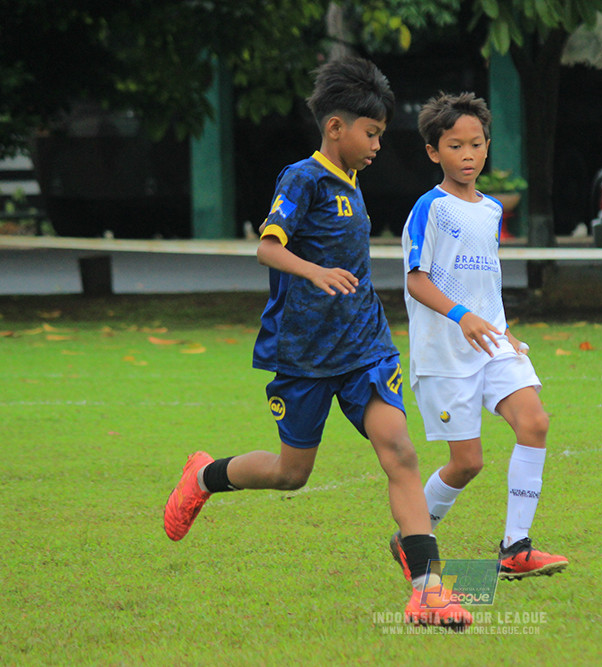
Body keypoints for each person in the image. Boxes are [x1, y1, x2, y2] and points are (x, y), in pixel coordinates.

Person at [163, 58, 471, 631]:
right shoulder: (301, 178)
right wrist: (313, 271)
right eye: (371, 132)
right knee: (290, 474)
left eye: (380, 133)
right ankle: (204, 475)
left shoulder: (353, 180)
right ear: (336, 127)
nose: (378, 144)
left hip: (364, 346)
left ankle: (429, 591)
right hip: (304, 354)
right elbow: (267, 248)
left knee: (400, 451)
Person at [397, 91, 568, 580]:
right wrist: (462, 316)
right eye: (454, 146)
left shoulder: (491, 210)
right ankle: (413, 534)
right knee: (466, 462)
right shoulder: (429, 209)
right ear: (434, 152)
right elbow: (416, 279)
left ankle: (516, 548)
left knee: (534, 421)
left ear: (487, 147)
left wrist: (502, 330)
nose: (466, 155)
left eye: (475, 144)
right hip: (445, 354)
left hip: (492, 344)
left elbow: (483, 282)